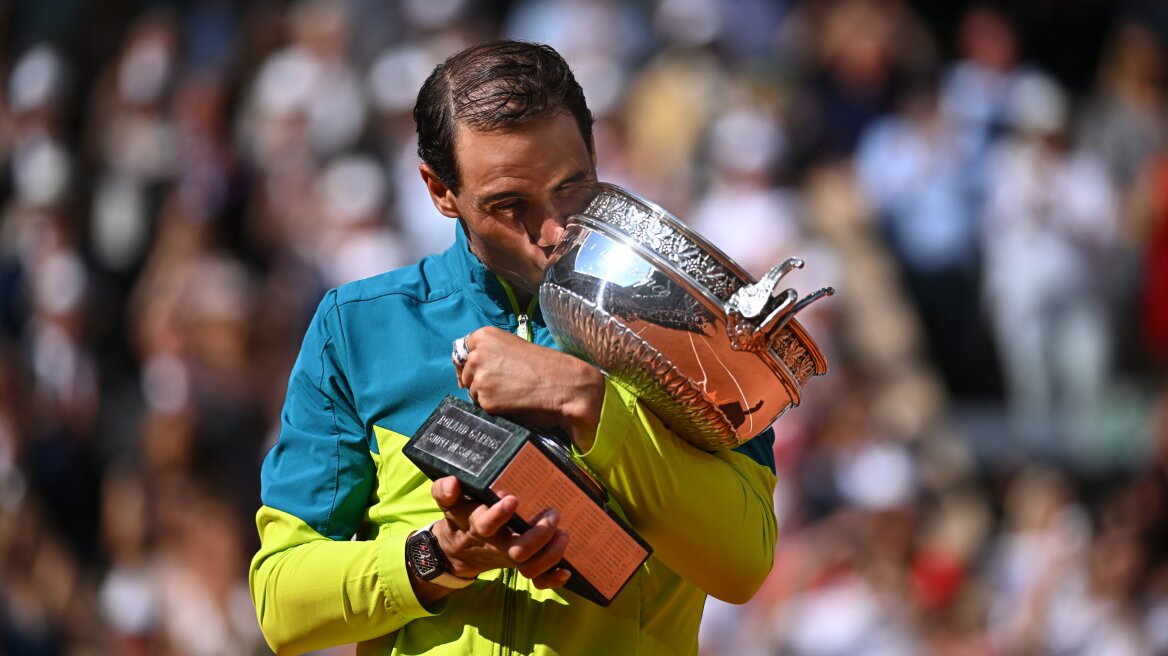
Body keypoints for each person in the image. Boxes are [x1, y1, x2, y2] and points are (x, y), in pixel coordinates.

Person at [249, 40, 778, 655]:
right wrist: (441, 557)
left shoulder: (697, 322)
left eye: (572, 187)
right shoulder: (358, 327)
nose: (552, 231)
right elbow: (282, 604)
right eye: (509, 204)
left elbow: (743, 565)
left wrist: (589, 401)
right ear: (439, 190)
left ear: (596, 156)